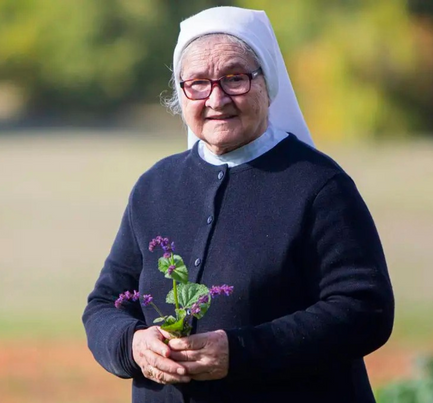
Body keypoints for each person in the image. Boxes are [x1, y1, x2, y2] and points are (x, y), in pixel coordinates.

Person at [82, 6, 394, 402]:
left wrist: (244, 351)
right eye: (197, 83)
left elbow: (366, 309)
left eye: (235, 78)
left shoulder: (319, 186)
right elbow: (104, 305)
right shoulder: (154, 187)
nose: (216, 98)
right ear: (180, 94)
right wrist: (132, 346)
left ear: (267, 84)